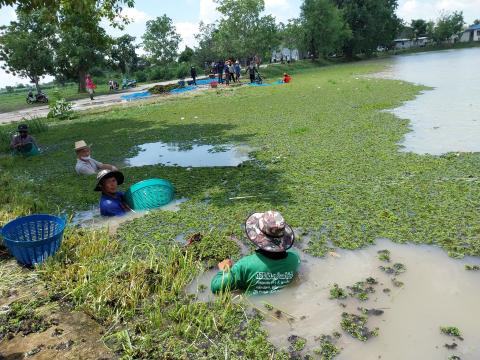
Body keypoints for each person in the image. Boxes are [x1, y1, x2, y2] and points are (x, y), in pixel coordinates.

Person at [211, 211, 301, 295]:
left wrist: (224, 271)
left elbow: (216, 287)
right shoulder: (294, 259)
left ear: (258, 236)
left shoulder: (244, 266)